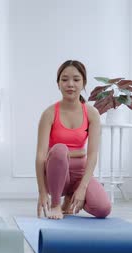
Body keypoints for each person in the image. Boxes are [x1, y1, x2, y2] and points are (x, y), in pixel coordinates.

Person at [35, 60, 111, 220]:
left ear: (84, 83)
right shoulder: (49, 113)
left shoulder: (92, 114)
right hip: (55, 175)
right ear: (58, 84)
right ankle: (57, 204)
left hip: (79, 174)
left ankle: (71, 197)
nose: (70, 84)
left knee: (103, 208)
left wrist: (83, 187)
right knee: (60, 149)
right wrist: (42, 192)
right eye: (64, 79)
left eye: (76, 79)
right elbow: (41, 156)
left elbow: (92, 154)